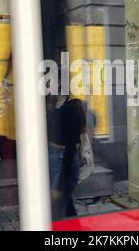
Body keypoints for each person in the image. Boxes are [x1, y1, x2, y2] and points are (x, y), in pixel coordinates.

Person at [47, 92, 86, 220]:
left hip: (64, 157)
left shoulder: (72, 106)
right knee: (65, 202)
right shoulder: (52, 104)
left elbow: (71, 142)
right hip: (54, 155)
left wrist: (58, 185)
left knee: (62, 200)